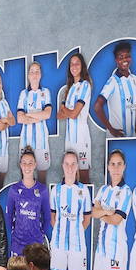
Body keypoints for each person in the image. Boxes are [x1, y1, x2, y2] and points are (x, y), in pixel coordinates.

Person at [49, 150, 92, 270]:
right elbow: (53, 218)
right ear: (62, 165)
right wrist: (61, 232)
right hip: (58, 245)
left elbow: (87, 219)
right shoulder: (56, 190)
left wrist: (76, 232)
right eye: (67, 164)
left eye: (73, 164)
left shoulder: (83, 190)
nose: (70, 167)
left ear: (77, 166)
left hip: (77, 246)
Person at [4, 148, 52, 256]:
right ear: (20, 165)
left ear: (35, 165)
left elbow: (47, 216)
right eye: (24, 163)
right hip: (18, 244)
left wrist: (41, 234)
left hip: (35, 245)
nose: (27, 166)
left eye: (30, 163)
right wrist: (14, 232)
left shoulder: (42, 190)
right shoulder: (14, 189)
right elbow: (8, 216)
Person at [93, 40, 136, 138]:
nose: (124, 60)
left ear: (131, 58)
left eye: (127, 56)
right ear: (116, 60)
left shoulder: (135, 79)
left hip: (132, 136)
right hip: (117, 138)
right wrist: (111, 129)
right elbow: (97, 106)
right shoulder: (113, 82)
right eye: (121, 57)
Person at [58, 53, 94, 184]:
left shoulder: (85, 85)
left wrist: (64, 107)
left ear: (82, 66)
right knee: (70, 176)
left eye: (77, 63)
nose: (74, 66)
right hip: (69, 139)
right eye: (71, 64)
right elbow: (59, 115)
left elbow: (73, 114)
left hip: (81, 137)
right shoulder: (70, 88)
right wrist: (69, 111)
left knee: (83, 176)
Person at [16, 61, 52, 183]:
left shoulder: (45, 92)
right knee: (25, 175)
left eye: (37, 71)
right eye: (32, 71)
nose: (34, 74)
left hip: (42, 141)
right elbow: (20, 118)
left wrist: (28, 114)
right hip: (26, 141)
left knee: (42, 176)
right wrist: (39, 115)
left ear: (40, 74)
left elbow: (47, 114)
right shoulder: (23, 94)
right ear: (28, 75)